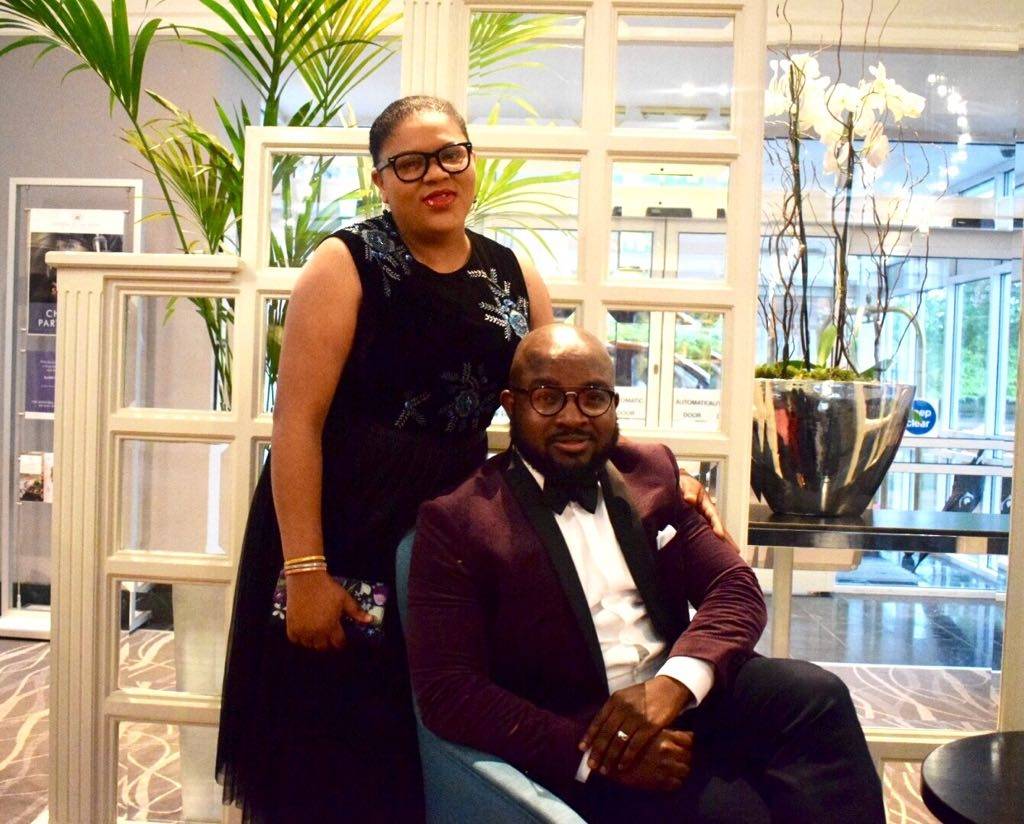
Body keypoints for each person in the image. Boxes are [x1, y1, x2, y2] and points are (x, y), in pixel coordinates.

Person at [215, 96, 724, 822]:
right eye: (410, 163)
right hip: (344, 522)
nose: (435, 174)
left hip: (453, 522)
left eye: (450, 154)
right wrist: (305, 570)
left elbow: (561, 405)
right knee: (333, 737)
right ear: (379, 180)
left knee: (427, 722)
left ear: (471, 162)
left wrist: (664, 479)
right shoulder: (344, 263)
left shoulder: (514, 272)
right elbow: (296, 424)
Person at [406, 325, 886, 823]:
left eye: (593, 397)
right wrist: (595, 755)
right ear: (512, 405)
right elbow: (449, 691)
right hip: (582, 726)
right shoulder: (458, 521)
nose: (573, 417)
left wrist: (674, 685)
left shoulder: (649, 473)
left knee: (816, 697)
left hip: (679, 696)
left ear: (614, 404)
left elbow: (734, 587)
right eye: (548, 397)